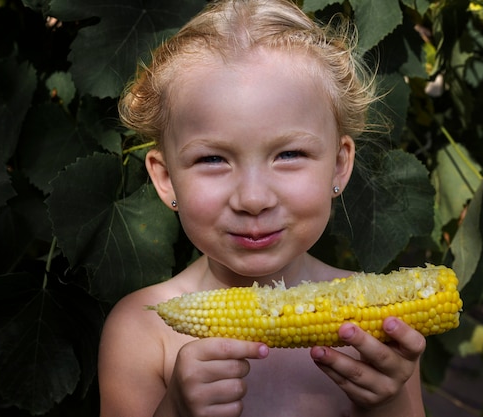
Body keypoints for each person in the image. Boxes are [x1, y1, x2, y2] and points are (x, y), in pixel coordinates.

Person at [98, 0, 426, 416]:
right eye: (212, 159)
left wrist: (390, 400)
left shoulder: (382, 327)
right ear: (165, 178)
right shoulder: (142, 332)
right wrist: (175, 410)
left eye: (289, 154)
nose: (253, 199)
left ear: (339, 165)